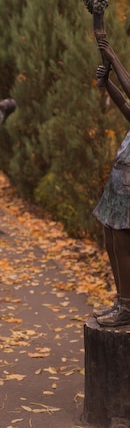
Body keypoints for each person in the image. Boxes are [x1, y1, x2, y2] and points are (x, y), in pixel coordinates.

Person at [93, 38, 130, 327]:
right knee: (110, 238)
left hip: (129, 184)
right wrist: (107, 84)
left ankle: (128, 306)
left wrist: (114, 58)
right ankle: (121, 300)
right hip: (119, 182)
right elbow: (124, 104)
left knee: (122, 243)